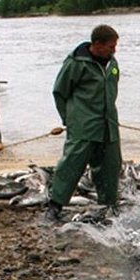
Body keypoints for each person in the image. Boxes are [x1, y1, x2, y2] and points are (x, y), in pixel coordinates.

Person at [45, 24, 122, 223]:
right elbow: (60, 92)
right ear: (97, 44)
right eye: (111, 46)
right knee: (71, 164)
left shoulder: (112, 63)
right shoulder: (76, 63)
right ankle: (55, 205)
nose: (114, 50)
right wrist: (69, 120)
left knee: (110, 166)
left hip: (108, 125)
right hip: (83, 125)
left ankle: (109, 204)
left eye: (115, 46)